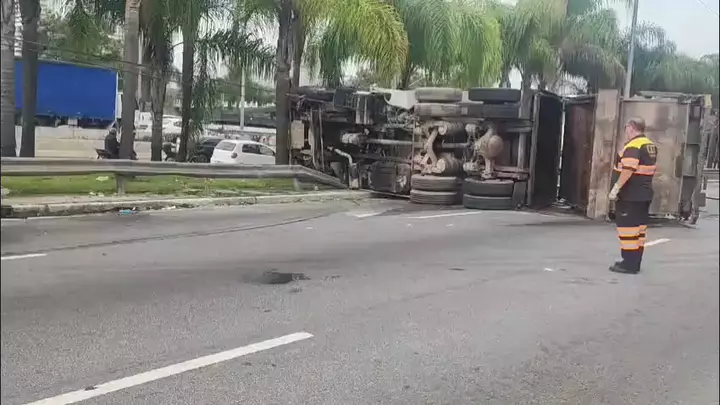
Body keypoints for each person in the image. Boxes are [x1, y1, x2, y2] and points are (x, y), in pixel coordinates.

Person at [608, 117, 657, 274]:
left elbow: (628, 170)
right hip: (644, 194)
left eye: (626, 127)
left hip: (630, 196)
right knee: (639, 230)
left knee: (627, 229)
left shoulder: (634, 145)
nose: (626, 131)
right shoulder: (649, 144)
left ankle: (628, 264)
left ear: (630, 127)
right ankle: (635, 262)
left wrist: (616, 188)